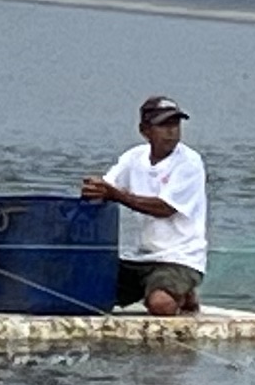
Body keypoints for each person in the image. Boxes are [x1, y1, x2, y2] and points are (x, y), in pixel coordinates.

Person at [81, 95, 208, 315]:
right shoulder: (133, 158)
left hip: (179, 258)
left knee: (160, 305)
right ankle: (169, 291)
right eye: (163, 125)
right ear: (145, 131)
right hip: (139, 257)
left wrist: (117, 195)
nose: (171, 131)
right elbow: (108, 187)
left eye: (175, 124)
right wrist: (96, 190)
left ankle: (181, 293)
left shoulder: (189, 162)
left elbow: (164, 208)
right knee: (90, 294)